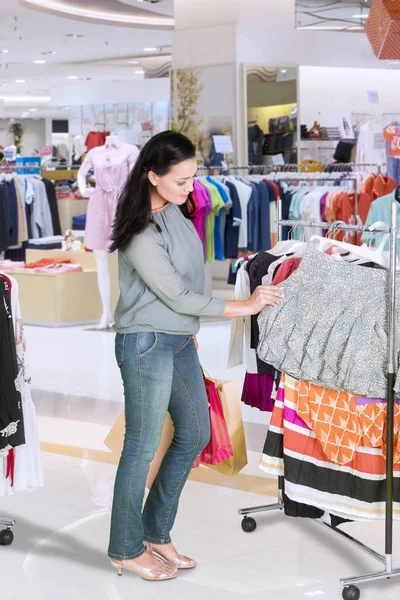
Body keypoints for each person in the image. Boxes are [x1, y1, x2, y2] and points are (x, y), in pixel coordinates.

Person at [108, 130, 284, 581]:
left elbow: (193, 283)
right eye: (181, 180)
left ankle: (156, 533)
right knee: (142, 446)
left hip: (179, 340)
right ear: (152, 176)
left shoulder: (177, 212)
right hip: (146, 342)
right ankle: (125, 547)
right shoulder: (139, 231)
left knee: (196, 432)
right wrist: (243, 306)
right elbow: (177, 293)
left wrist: (191, 331)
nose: (192, 189)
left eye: (193, 178)